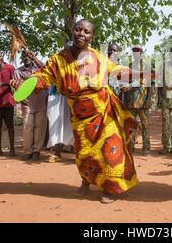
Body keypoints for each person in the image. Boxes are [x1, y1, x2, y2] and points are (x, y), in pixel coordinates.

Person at [11, 19, 139, 204]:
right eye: (78, 29)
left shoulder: (99, 57)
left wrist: (140, 73)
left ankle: (110, 188)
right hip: (79, 116)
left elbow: (117, 70)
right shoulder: (58, 60)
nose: (81, 34)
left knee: (111, 149)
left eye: (86, 32)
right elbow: (43, 77)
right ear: (72, 32)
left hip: (104, 112)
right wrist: (24, 83)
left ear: (92, 37)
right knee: (84, 152)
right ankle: (86, 182)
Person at [13, 50, 47, 160]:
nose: (27, 58)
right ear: (22, 58)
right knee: (27, 126)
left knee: (40, 126)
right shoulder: (18, 71)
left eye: (29, 56)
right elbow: (15, 86)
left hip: (41, 101)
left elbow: (46, 70)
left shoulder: (38, 68)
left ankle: (37, 150)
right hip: (27, 103)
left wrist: (35, 58)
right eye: (25, 56)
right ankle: (28, 150)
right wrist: (21, 98)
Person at [121, 45, 152, 155]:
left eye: (138, 51)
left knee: (145, 125)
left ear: (141, 52)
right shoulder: (129, 66)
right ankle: (131, 146)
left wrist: (149, 99)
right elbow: (126, 82)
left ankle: (146, 148)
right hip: (131, 100)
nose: (136, 53)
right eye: (134, 51)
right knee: (131, 124)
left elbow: (150, 85)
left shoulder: (146, 66)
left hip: (143, 100)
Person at [47, 85, 74, 162]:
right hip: (54, 95)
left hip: (69, 94)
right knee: (54, 123)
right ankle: (56, 152)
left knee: (70, 122)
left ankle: (77, 153)